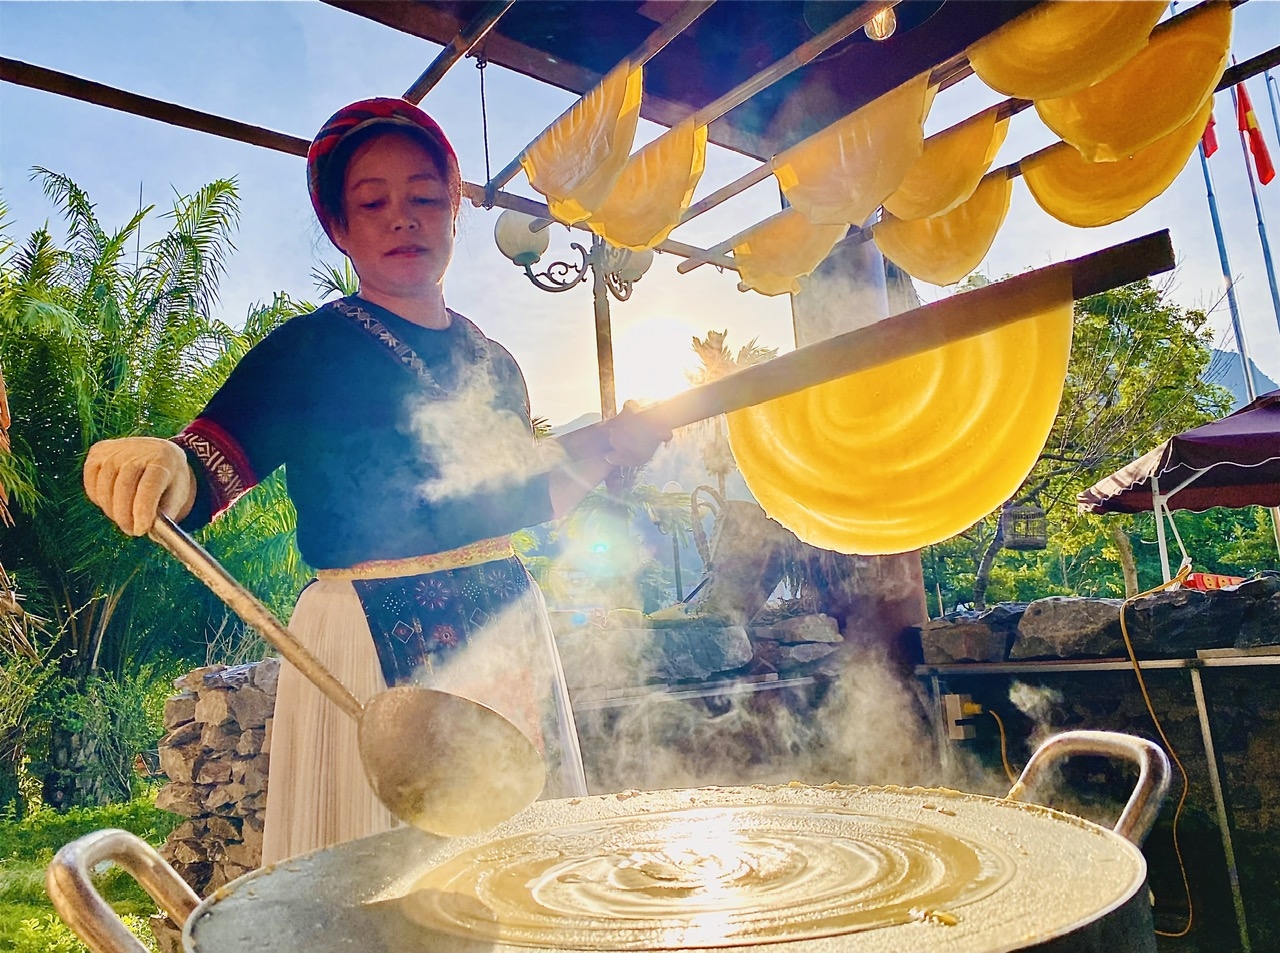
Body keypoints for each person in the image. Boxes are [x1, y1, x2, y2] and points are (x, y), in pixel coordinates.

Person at [83, 98, 669, 863]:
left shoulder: (495, 363)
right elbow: (208, 465)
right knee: (383, 891)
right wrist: (165, 462)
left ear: (454, 212)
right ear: (340, 227)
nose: (403, 218)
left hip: (505, 625)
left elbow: (526, 499)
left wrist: (610, 450)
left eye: (425, 197)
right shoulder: (307, 351)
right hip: (364, 634)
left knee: (523, 875)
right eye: (373, 202)